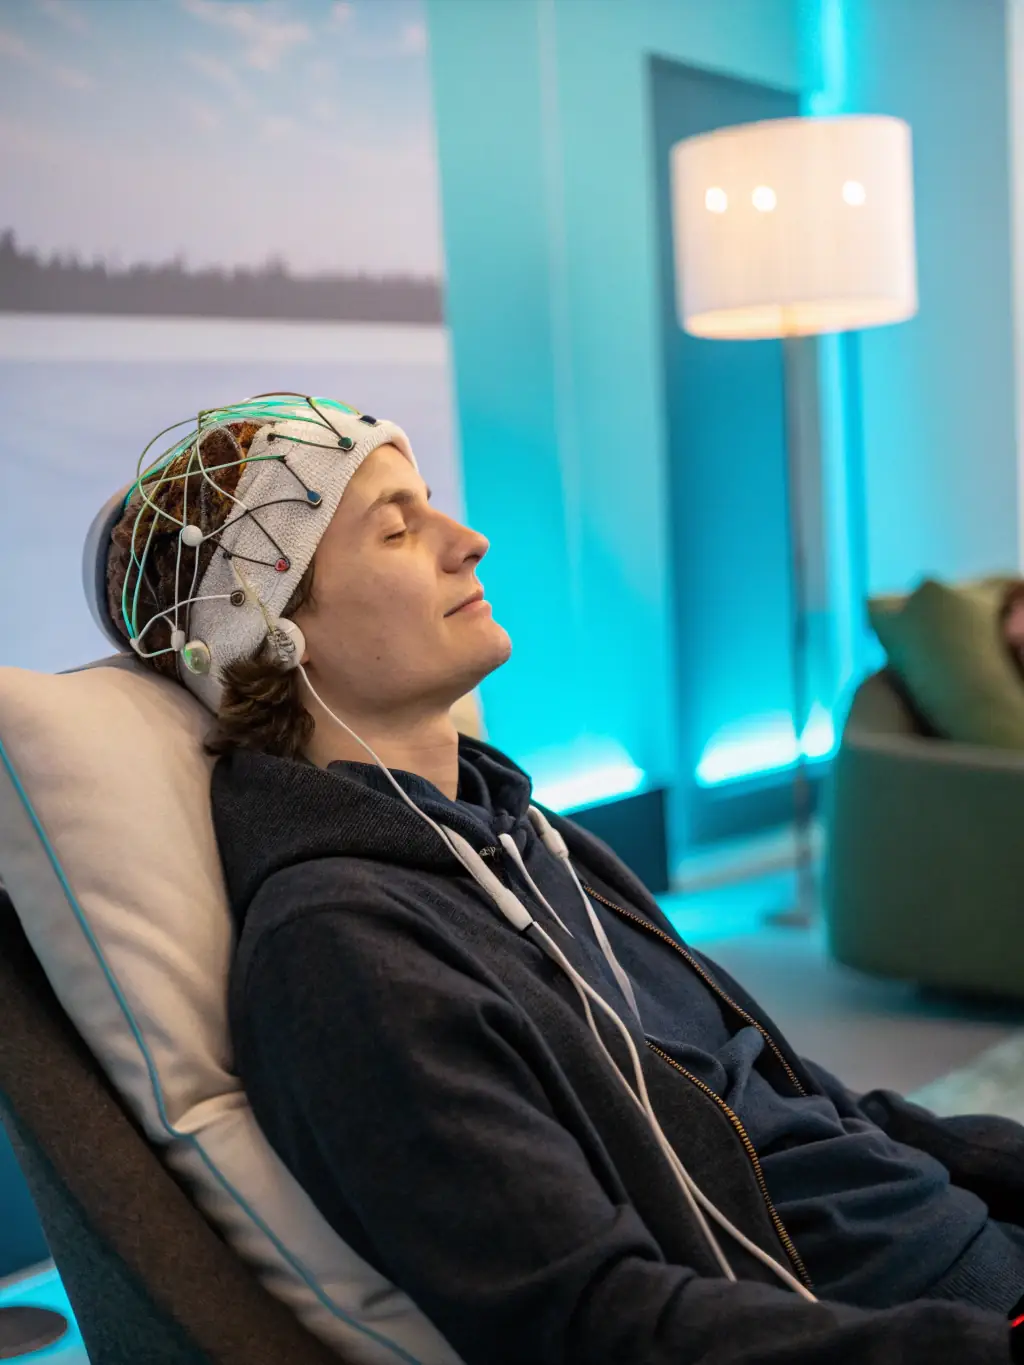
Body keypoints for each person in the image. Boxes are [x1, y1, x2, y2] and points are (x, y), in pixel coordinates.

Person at [98, 393, 1024, 1364]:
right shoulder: (343, 953)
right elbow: (593, 1324)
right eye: (398, 530)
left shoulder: (523, 838)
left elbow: (804, 1104)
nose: (470, 542)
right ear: (278, 633)